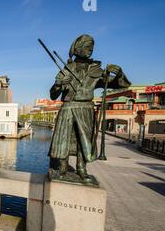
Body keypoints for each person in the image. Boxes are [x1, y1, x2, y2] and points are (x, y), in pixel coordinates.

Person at [49, 34, 131, 183]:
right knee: (63, 138)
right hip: (68, 107)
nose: (90, 50)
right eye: (87, 47)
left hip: (85, 107)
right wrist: (59, 84)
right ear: (77, 49)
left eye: (91, 47)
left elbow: (119, 84)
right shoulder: (67, 69)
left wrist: (119, 74)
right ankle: (62, 167)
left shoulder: (96, 70)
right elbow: (53, 95)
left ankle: (81, 168)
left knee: (84, 139)